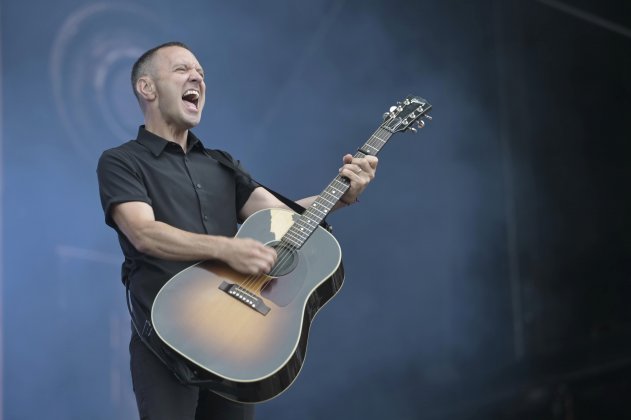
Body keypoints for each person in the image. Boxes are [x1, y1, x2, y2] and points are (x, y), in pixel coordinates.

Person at [97, 41, 378, 420]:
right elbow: (143, 233)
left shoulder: (221, 164)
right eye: (182, 70)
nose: (197, 77)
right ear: (147, 88)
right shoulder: (121, 161)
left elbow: (286, 218)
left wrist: (343, 195)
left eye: (201, 74)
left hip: (233, 340)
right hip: (164, 337)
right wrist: (226, 248)